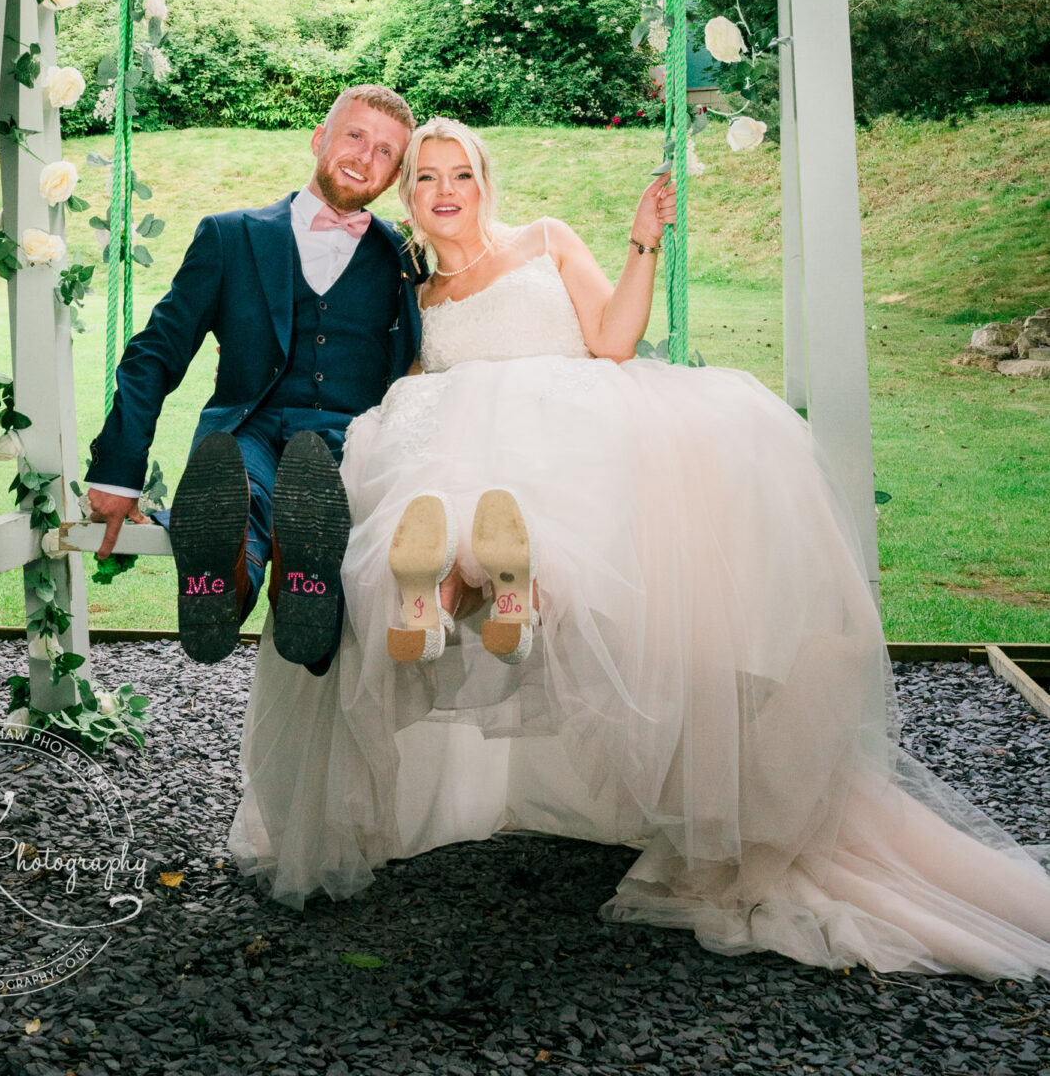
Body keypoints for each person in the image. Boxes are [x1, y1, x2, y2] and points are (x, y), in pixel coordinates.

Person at [228, 116, 1050, 979]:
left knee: (512, 493)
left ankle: (501, 589)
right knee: (432, 472)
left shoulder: (546, 240)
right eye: (425, 179)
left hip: (564, 429)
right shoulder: (414, 295)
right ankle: (453, 601)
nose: (443, 193)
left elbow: (612, 339)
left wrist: (640, 244)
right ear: (409, 198)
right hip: (467, 444)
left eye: (458, 175)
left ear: (483, 182)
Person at [84, 85, 421, 673]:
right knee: (239, 491)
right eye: (355, 136)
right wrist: (118, 470)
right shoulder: (230, 236)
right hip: (249, 430)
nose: (367, 158)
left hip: (352, 440)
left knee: (323, 493)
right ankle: (230, 583)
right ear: (320, 138)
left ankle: (296, 575)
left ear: (396, 175)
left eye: (387, 152)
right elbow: (156, 352)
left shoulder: (404, 259)